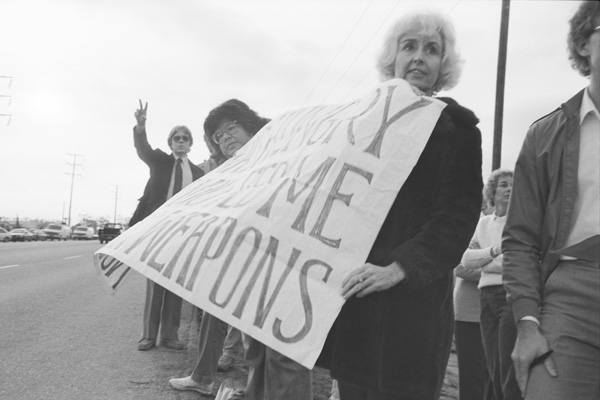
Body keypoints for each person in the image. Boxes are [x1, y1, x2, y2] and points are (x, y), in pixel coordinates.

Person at [320, 9, 483, 400]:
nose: (419, 58)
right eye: (409, 46)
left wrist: (400, 267)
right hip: (357, 302)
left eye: (431, 49)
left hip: (415, 312)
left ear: (443, 64)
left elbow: (457, 217)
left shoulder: (458, 130)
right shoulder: (360, 123)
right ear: (392, 58)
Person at [503, 2, 600, 399]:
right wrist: (527, 322)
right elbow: (520, 238)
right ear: (583, 44)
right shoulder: (545, 135)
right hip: (570, 300)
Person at [169, 99, 270, 397]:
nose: (225, 138)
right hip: (235, 252)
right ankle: (204, 376)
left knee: (266, 338)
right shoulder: (228, 170)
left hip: (269, 257)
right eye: (218, 136)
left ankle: (259, 389)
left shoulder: (276, 153)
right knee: (215, 306)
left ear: (250, 126)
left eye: (231, 129)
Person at [130, 100, 204, 351]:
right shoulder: (160, 161)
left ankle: (170, 336)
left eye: (185, 138)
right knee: (155, 282)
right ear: (171, 143)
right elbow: (143, 150)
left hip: (183, 233)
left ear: (191, 144)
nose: (181, 141)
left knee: (175, 283)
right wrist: (141, 127)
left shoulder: (198, 174)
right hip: (158, 230)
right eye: (176, 138)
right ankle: (149, 336)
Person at [461, 169, 520, 400]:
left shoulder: (521, 223)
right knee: (493, 365)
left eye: (514, 185)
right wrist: (495, 251)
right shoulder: (484, 224)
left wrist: (485, 262)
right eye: (504, 184)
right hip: (485, 299)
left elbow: (518, 262)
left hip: (510, 295)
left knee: (507, 365)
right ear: (493, 192)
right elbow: (465, 259)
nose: (509, 189)